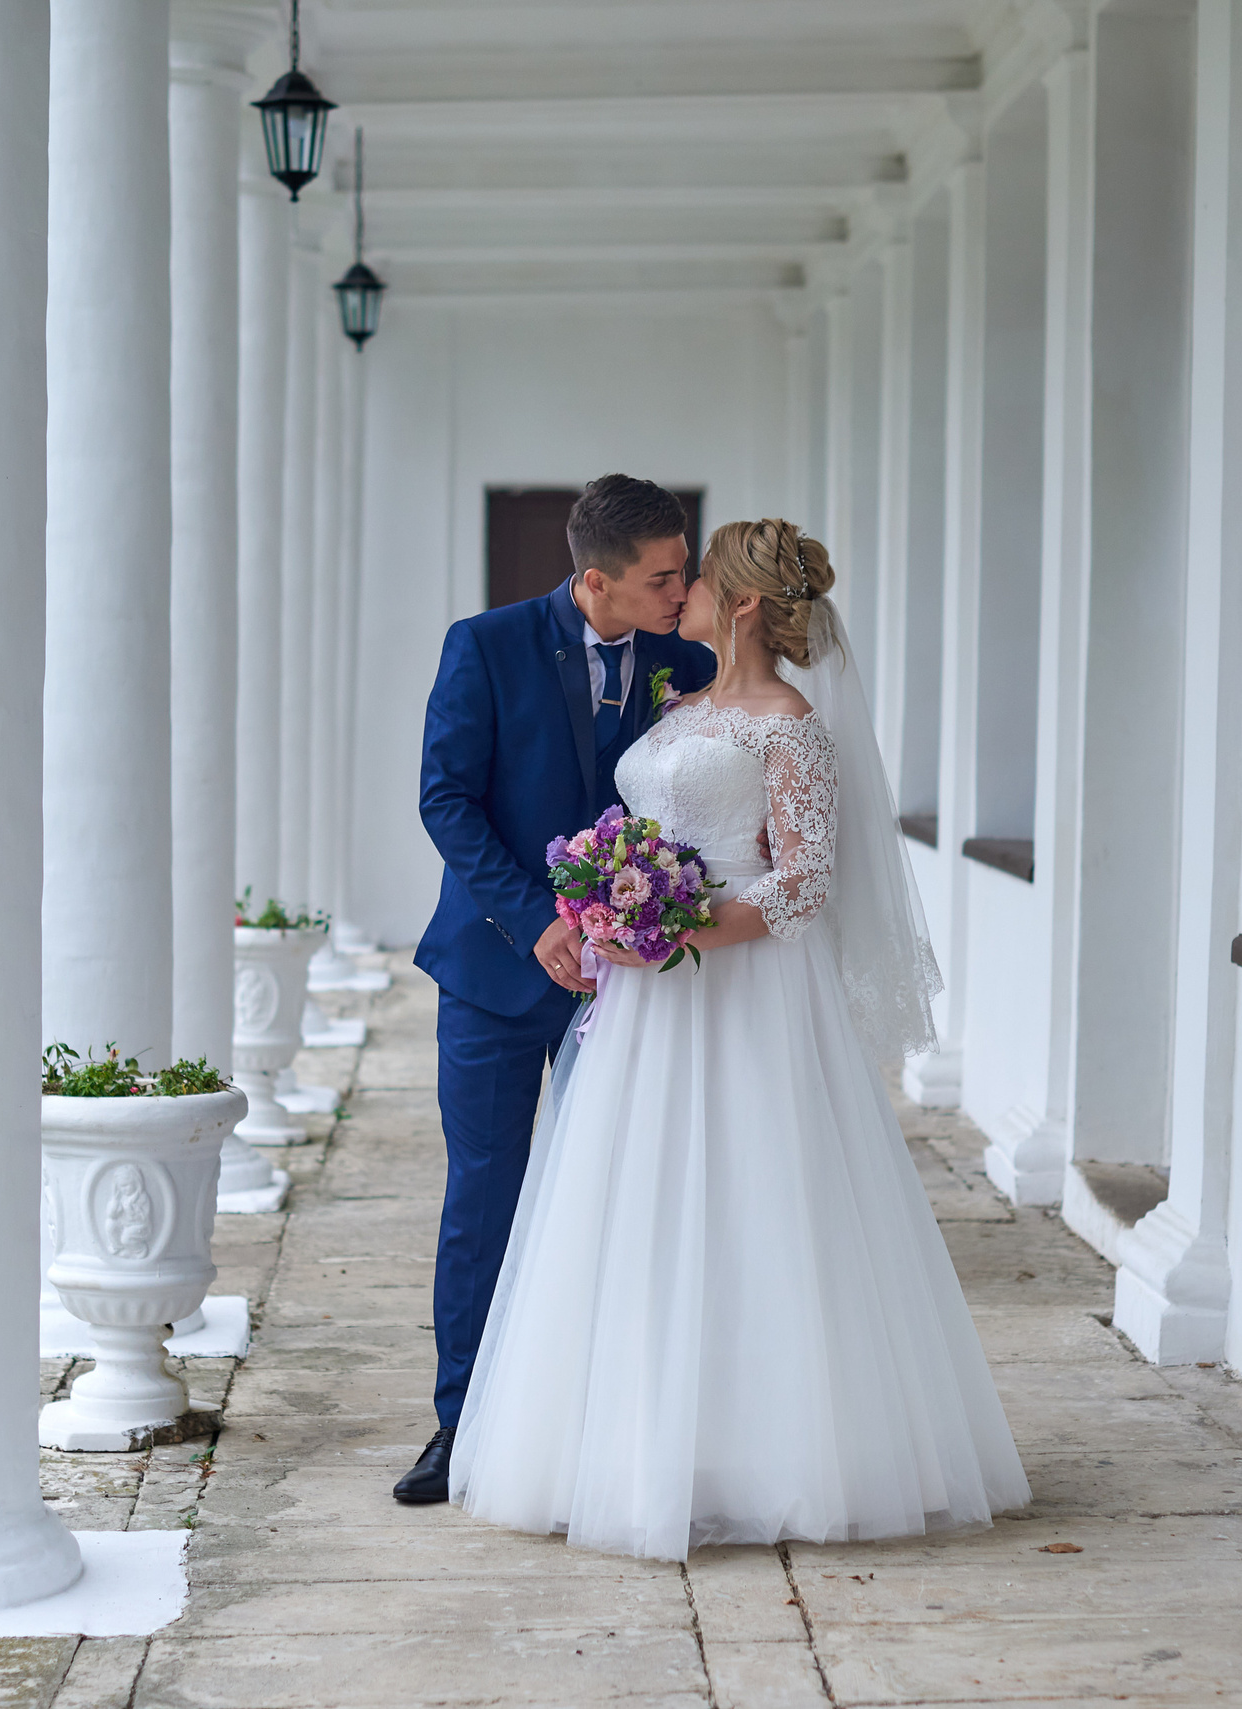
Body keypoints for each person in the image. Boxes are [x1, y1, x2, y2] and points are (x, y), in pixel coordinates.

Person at [447, 518, 1029, 1560]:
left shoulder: (788, 723)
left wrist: (661, 927)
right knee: (639, 1204)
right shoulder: (685, 700)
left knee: (755, 1198)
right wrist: (614, 911)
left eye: (698, 579)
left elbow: (802, 883)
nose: (683, 594)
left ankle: (775, 1449)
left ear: (745, 603)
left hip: (740, 990)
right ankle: (637, 1439)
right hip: (649, 1002)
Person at [402, 475, 717, 1504]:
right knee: (484, 1197)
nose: (684, 587)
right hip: (496, 973)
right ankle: (462, 1426)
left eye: (684, 568)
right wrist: (536, 919)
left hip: (632, 991)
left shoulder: (690, 663)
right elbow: (445, 799)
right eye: (663, 575)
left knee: (618, 1202)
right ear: (596, 580)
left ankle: (595, 1423)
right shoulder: (483, 645)